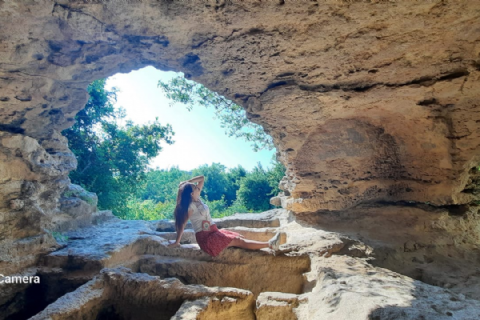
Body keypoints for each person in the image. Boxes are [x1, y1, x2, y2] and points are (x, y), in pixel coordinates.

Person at [167, 175, 282, 257]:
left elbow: (202, 178)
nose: (198, 188)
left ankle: (269, 244)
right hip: (206, 238)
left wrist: (187, 182)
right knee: (238, 241)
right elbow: (181, 224)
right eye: (196, 188)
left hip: (213, 231)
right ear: (192, 194)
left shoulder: (198, 199)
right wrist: (177, 242)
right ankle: (270, 245)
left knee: (239, 237)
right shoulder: (190, 207)